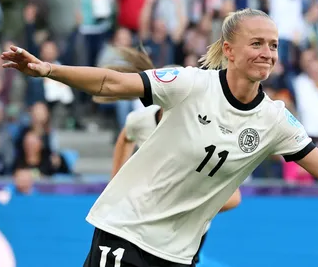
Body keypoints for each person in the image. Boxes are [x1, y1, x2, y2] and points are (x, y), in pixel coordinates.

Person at [2, 8, 318, 267]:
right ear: (230, 50)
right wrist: (48, 69)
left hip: (178, 255)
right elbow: (110, 83)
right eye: (258, 43)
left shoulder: (274, 120)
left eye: (275, 45)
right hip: (126, 234)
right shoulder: (189, 84)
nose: (268, 52)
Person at [93, 49, 241, 265]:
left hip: (186, 231)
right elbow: (126, 136)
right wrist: (116, 183)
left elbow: (233, 198)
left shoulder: (203, 133)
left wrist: (189, 203)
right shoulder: (142, 120)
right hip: (146, 223)